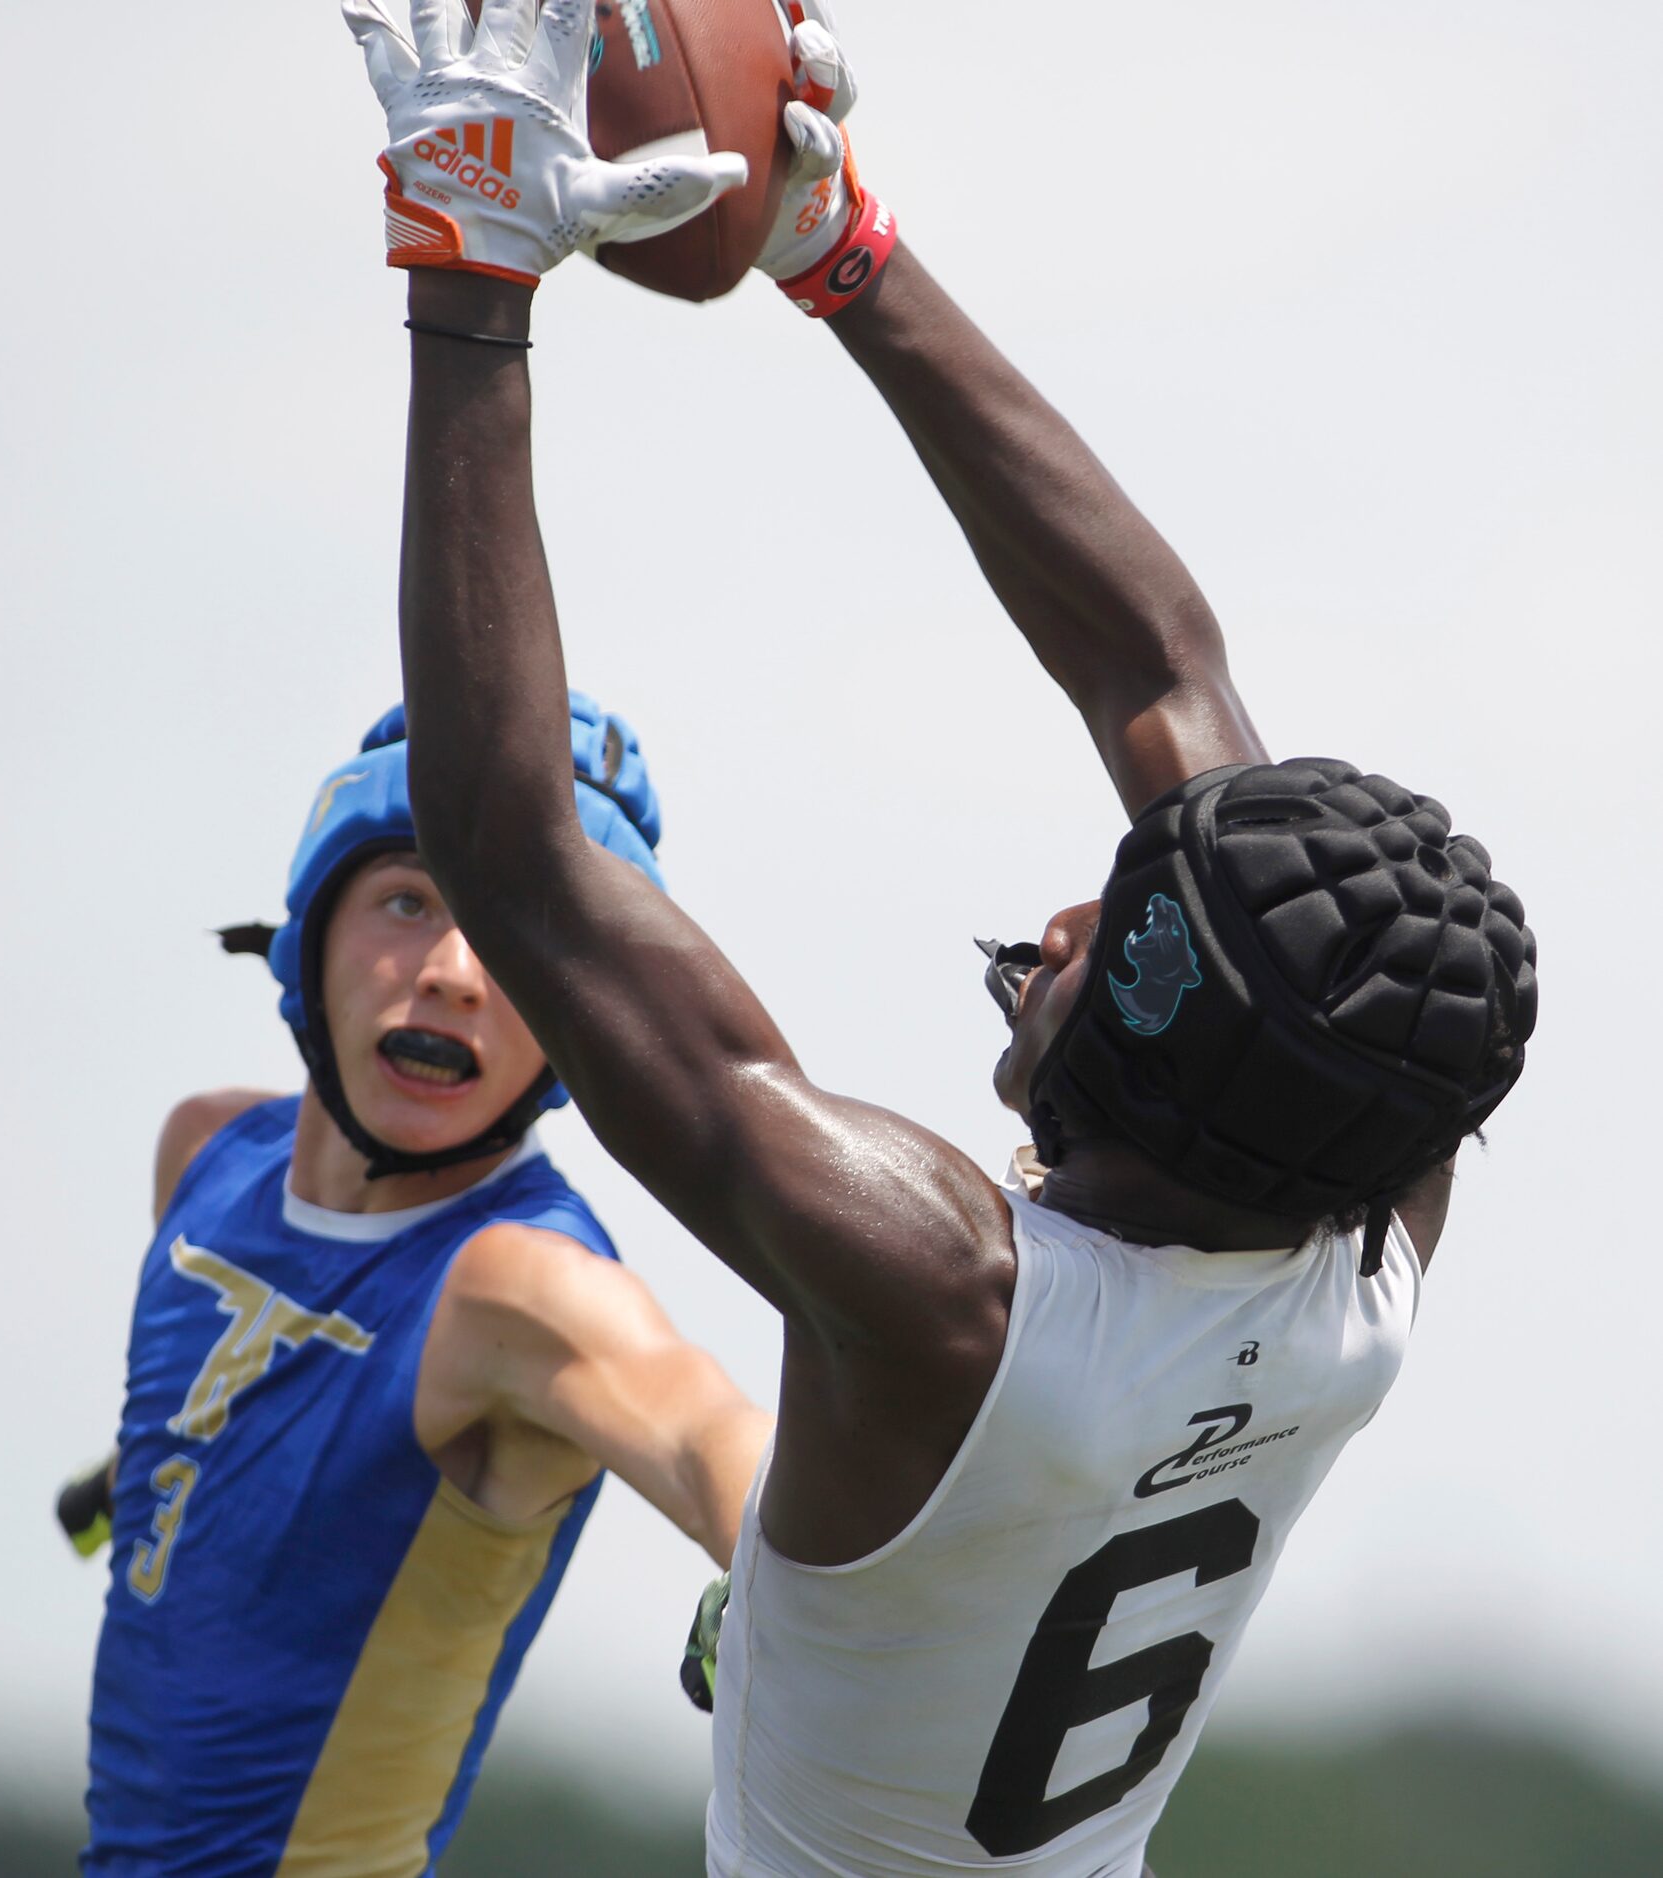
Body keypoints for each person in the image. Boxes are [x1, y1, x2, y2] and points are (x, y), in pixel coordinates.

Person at [341, 2, 1540, 1872]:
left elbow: (511, 855)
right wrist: (850, 256)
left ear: (1155, 1058)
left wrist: (469, 275)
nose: (1068, 908)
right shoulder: (1360, 1226)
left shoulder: (942, 1296)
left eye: (1109, 936)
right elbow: (1161, 674)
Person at [76, 695, 771, 1874]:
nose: (453, 973)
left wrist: (787, 1570)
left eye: (514, 937)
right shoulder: (204, 1156)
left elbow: (714, 1435)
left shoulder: (523, 1288)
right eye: (410, 901)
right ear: (311, 933)